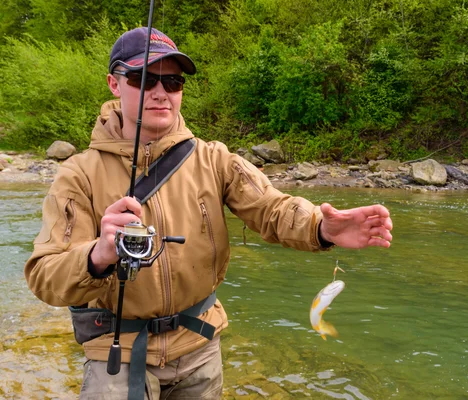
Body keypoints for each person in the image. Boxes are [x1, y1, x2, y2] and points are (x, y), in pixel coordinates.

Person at [24, 27, 393, 399]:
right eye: (143, 78)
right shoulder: (78, 174)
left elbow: (272, 208)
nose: (160, 92)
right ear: (114, 83)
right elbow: (44, 275)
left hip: (200, 345)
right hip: (116, 352)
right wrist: (97, 256)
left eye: (172, 81)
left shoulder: (213, 158)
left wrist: (321, 227)